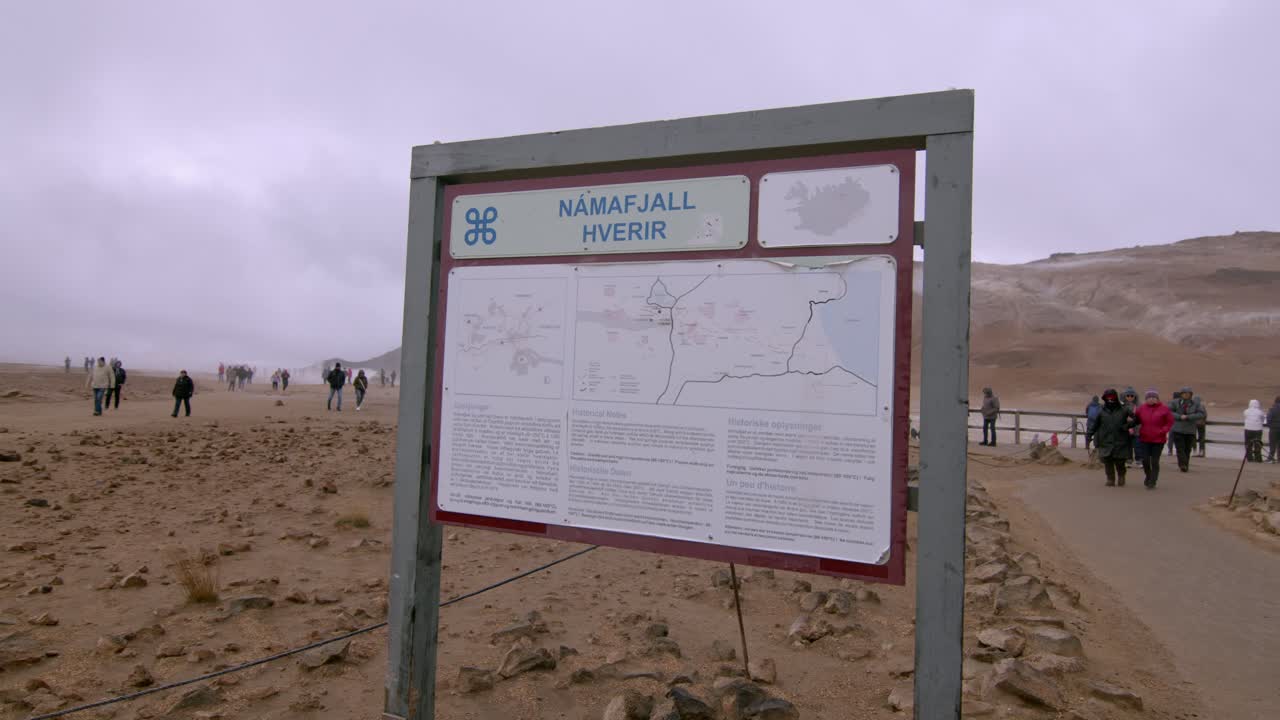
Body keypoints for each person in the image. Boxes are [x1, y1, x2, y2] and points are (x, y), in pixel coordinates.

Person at [1095, 389, 1136, 487]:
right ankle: (1110, 479)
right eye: (1107, 397)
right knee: (1108, 461)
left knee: (1119, 461)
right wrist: (1090, 436)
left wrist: (1127, 425)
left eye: (1112, 397)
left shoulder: (1124, 409)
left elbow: (1136, 419)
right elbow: (1095, 425)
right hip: (1106, 439)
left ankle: (1121, 476)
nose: (1110, 399)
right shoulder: (1101, 410)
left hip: (1120, 439)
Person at [1134, 390, 1174, 489]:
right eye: (1149, 398)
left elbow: (1170, 422)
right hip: (1145, 438)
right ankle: (1148, 476)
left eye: (1153, 397)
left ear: (1157, 399)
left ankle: (1153, 481)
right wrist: (1128, 424)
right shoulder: (1141, 409)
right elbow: (1135, 420)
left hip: (1158, 440)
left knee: (1155, 461)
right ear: (1146, 399)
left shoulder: (1164, 409)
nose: (1151, 399)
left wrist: (1163, 430)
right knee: (1145, 460)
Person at [1168, 388, 1205, 472]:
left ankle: (1185, 464)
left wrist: (1189, 417)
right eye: (1184, 393)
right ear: (1181, 394)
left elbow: (1201, 414)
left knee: (1187, 449)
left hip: (1190, 430)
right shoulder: (1175, 402)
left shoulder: (1195, 404)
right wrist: (1179, 416)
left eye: (1188, 393)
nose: (1186, 395)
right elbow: (1168, 412)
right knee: (1180, 448)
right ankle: (1182, 464)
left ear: (1191, 394)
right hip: (1178, 429)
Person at [1121, 387, 1141, 467]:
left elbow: (1142, 417)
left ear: (1135, 396)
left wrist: (1134, 419)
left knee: (1137, 445)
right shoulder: (1121, 406)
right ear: (1125, 396)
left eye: (1132, 396)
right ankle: (1128, 460)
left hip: (1136, 429)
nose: (1130, 397)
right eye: (1128, 396)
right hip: (1126, 429)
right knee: (1127, 446)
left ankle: (1139, 460)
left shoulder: (1139, 406)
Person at [1267, 396, 1280, 463]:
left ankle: (1270, 458)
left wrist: (1270, 426)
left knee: (1272, 445)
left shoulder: (1272, 409)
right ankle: (1279, 459)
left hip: (1274, 429)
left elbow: (1268, 418)